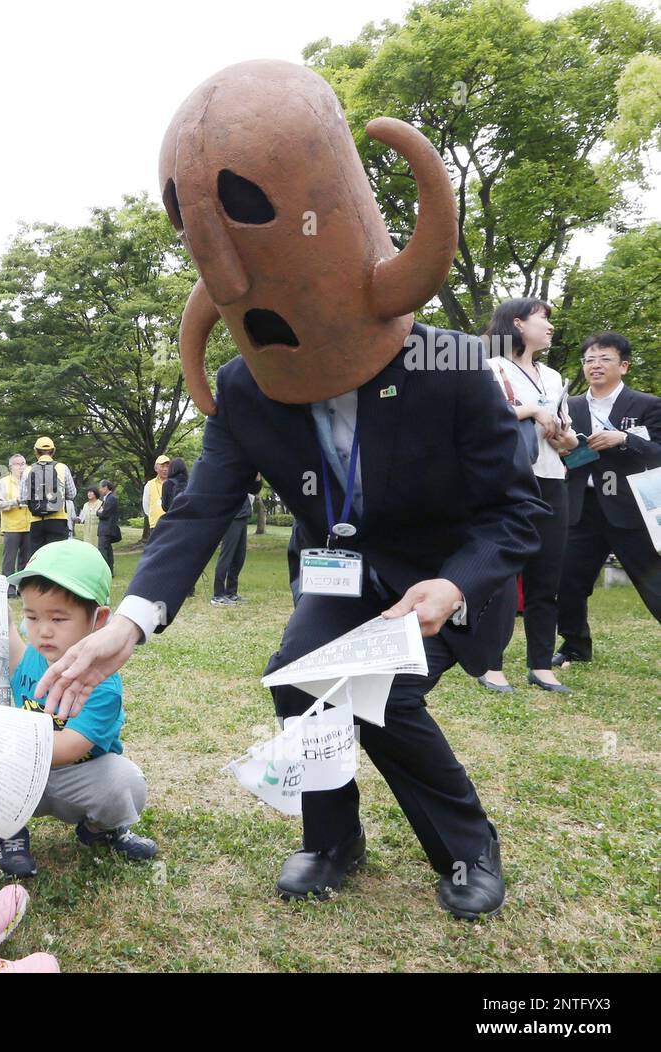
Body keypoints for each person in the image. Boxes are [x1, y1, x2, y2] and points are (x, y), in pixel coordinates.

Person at [35, 59, 547, 921]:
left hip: (448, 582)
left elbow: (514, 513)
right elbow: (201, 509)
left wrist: (455, 583)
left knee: (378, 696)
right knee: (295, 677)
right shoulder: (245, 388)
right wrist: (131, 619)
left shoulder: (452, 365)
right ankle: (332, 838)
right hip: (342, 576)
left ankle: (469, 848)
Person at [0, 541, 156, 878]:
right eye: (32, 616)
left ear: (99, 620)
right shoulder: (33, 656)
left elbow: (70, 746)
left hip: (77, 779)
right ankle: (8, 833)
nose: (43, 630)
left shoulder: (103, 684)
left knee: (126, 781)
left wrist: (2, 742)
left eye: (58, 618)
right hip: (25, 778)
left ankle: (99, 829)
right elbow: (12, 646)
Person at [477, 299, 578, 694]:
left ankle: (541, 665)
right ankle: (490, 664)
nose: (550, 326)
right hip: (509, 481)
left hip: (552, 478)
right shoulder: (490, 367)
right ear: (517, 324)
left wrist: (565, 437)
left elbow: (567, 438)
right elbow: (484, 418)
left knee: (547, 575)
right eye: (543, 319)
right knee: (502, 575)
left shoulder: (554, 376)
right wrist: (532, 410)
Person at [555, 332, 661, 663]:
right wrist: (566, 449)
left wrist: (625, 440)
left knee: (654, 582)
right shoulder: (568, 406)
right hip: (582, 507)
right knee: (568, 580)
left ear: (624, 366)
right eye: (589, 359)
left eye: (604, 359)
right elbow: (560, 456)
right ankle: (575, 645)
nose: (595, 365)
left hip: (630, 508)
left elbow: (657, 454)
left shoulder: (647, 405)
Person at [21, 436, 76, 552]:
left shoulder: (28, 470)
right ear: (53, 451)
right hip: (58, 520)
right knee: (57, 557)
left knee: (37, 557)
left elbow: (22, 498)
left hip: (36, 521)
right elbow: (72, 494)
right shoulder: (62, 468)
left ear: (36, 451)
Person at [212, 477, 262, 604]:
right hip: (231, 516)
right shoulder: (227, 470)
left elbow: (254, 489)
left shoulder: (243, 471)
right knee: (227, 555)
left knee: (239, 557)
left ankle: (231, 592)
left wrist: (257, 478)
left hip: (243, 514)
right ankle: (218, 594)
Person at [0, 454, 32, 597]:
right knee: (9, 560)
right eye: (17, 464)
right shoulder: (4, 482)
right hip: (12, 527)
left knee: (26, 560)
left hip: (29, 526)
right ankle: (8, 589)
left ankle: (23, 588)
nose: (21, 467)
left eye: (24, 463)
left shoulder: (30, 482)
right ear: (10, 467)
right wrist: (14, 502)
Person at [96, 480, 121, 572]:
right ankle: (109, 570)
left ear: (105, 487)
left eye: (101, 487)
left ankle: (105, 570)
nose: (100, 489)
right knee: (108, 550)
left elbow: (104, 514)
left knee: (103, 549)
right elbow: (98, 511)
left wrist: (99, 512)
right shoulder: (106, 498)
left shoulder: (111, 499)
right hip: (105, 528)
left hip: (106, 529)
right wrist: (99, 512)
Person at [143, 455, 171, 530]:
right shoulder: (149, 484)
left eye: (167, 466)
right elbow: (146, 506)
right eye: (162, 466)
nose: (165, 469)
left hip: (172, 523)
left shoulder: (174, 483)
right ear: (156, 468)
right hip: (155, 524)